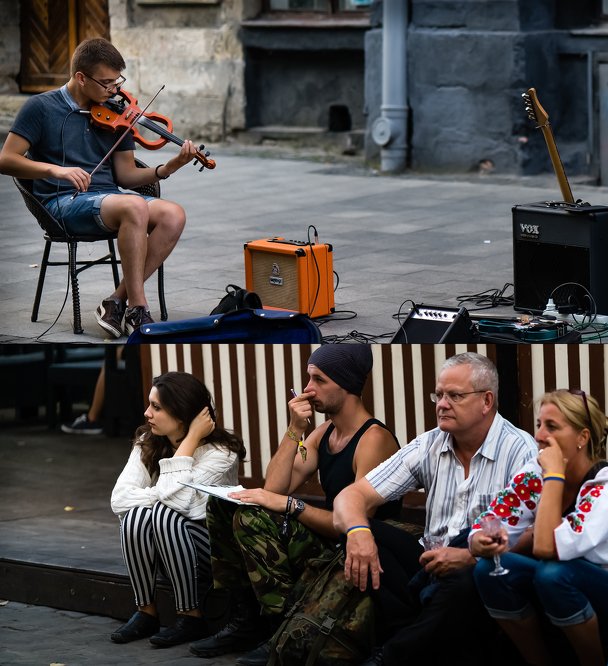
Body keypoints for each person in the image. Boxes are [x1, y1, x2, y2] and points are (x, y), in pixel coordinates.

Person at [189, 344, 406, 666]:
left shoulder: (373, 438)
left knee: (252, 520)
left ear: (345, 385)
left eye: (319, 380)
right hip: (328, 534)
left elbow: (355, 523)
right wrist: (295, 430)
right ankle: (246, 618)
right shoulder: (323, 433)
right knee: (226, 506)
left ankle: (282, 627)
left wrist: (291, 505)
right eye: (308, 378)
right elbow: (275, 487)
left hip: (361, 542)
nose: (307, 389)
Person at [332, 352, 537, 666]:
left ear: (486, 401)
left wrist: (470, 555)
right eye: (439, 394)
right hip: (429, 565)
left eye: (455, 396)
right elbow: (351, 497)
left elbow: (539, 532)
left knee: (470, 576)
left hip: (485, 566)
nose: (442, 403)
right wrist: (358, 533)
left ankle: (391, 656)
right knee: (363, 535)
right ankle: (418, 638)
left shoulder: (519, 449)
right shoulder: (430, 443)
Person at [0, 37, 196, 338]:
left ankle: (116, 301)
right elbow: (6, 160)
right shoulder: (40, 108)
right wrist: (56, 170)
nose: (114, 91)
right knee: (134, 206)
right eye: (106, 83)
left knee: (174, 214)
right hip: (62, 203)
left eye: (117, 82)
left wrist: (167, 168)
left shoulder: (117, 112)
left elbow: (127, 176)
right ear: (81, 77)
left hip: (110, 201)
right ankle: (139, 309)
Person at [469, 389, 608, 666]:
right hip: (564, 588)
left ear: (583, 437)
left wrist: (554, 476)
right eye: (539, 425)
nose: (539, 436)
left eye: (552, 427)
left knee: (553, 573)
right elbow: (485, 525)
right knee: (489, 570)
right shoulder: (535, 474)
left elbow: (548, 548)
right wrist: (480, 543)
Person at [109, 371, 245, 647]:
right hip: (164, 548)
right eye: (149, 404)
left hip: (212, 551)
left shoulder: (221, 453)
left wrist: (192, 438)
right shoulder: (148, 441)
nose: (147, 413)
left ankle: (191, 615)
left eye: (156, 407)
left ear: (182, 414)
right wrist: (158, 497)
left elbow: (181, 505)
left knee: (164, 513)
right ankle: (145, 610)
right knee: (136, 516)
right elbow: (119, 499)